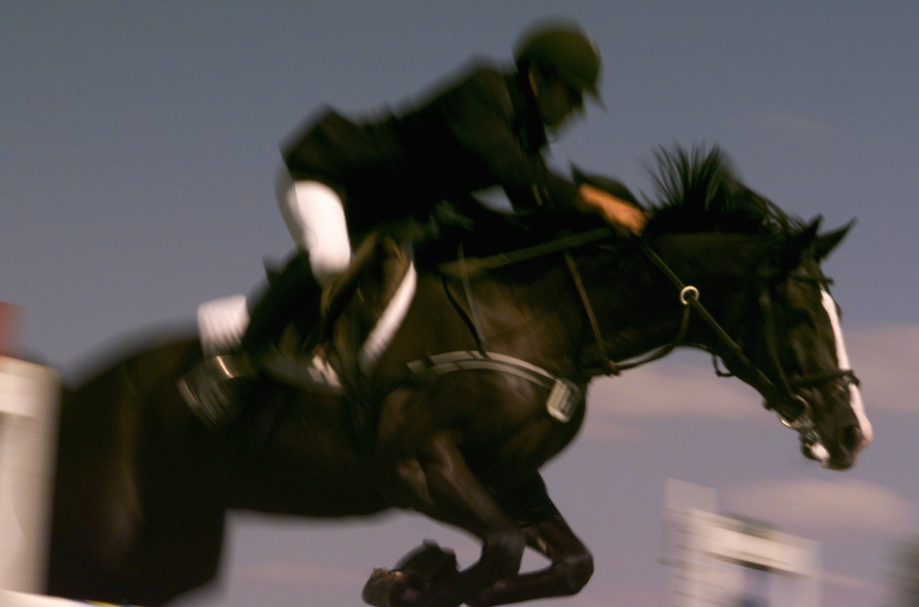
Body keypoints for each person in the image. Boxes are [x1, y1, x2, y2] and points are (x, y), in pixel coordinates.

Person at [181, 20, 647, 428]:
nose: (578, 109)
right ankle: (230, 365)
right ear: (538, 78)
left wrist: (599, 235)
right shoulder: (482, 90)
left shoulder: (525, 134)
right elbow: (507, 167)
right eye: (574, 94)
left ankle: (254, 332)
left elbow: (532, 205)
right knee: (330, 258)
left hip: (381, 215)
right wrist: (594, 200)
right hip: (329, 176)